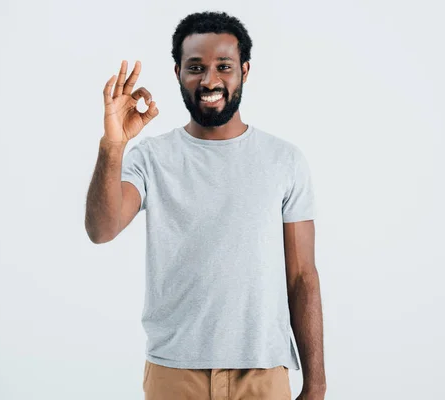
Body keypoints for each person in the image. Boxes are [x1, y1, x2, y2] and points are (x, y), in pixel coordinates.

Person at [85, 11, 326, 400]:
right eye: (195, 67)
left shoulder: (284, 160)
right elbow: (102, 229)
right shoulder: (151, 158)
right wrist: (113, 145)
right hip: (174, 372)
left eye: (223, 67)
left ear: (244, 71)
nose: (210, 80)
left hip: (262, 373)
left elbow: (302, 277)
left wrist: (316, 384)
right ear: (178, 72)